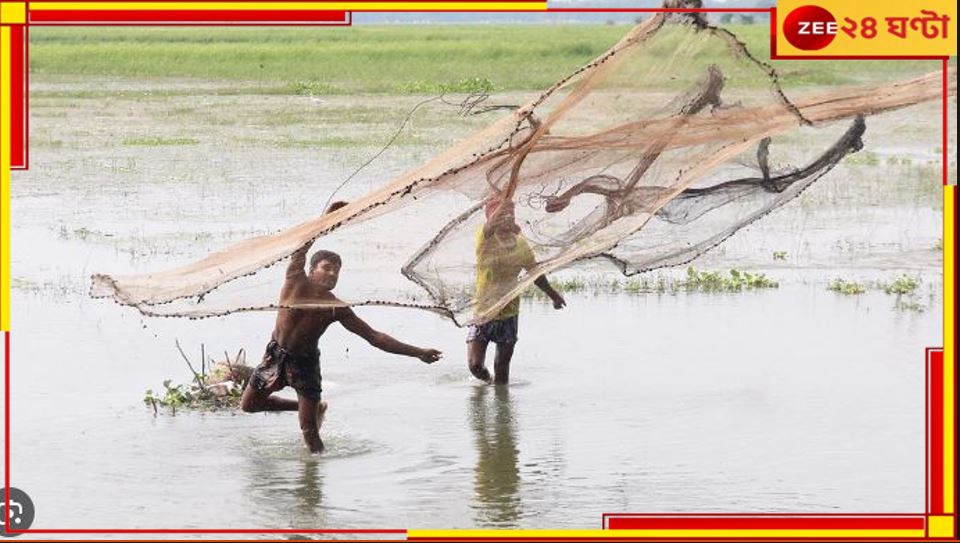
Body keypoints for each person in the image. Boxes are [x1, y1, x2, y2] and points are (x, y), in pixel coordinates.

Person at [241, 201, 443, 453]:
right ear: (312, 270)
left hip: (305, 364)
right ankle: (315, 407)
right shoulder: (295, 280)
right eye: (327, 268)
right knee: (248, 406)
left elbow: (375, 337)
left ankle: (314, 484)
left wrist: (418, 352)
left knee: (309, 433)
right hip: (276, 354)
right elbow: (302, 246)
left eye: (337, 271)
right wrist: (326, 219)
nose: (332, 274)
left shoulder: (336, 307)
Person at [467, 196, 565, 385]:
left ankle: (502, 409)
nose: (505, 218)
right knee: (475, 366)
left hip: (509, 313)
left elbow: (535, 273)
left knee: (502, 369)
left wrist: (553, 295)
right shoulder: (485, 238)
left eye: (509, 214)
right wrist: (502, 205)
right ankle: (486, 381)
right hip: (482, 311)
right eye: (500, 214)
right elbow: (489, 227)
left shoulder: (520, 244)